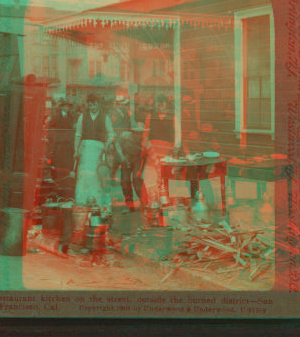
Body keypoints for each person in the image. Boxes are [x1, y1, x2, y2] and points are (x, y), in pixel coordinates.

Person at [73, 93, 117, 208]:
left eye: (94, 105)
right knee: (84, 177)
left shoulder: (105, 117)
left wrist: (107, 145)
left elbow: (111, 134)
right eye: (90, 105)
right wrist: (76, 150)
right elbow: (78, 134)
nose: (92, 107)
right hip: (85, 151)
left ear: (99, 105)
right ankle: (82, 204)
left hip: (98, 152)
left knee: (96, 177)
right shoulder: (82, 117)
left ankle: (97, 205)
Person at [141, 93, 181, 205]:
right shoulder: (150, 117)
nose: (160, 107)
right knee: (150, 179)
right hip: (152, 153)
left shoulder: (173, 118)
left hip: (167, 153)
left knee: (168, 179)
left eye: (162, 105)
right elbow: (145, 137)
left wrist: (173, 152)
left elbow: (178, 138)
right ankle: (151, 204)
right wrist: (151, 153)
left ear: (167, 104)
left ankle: (170, 205)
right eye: (158, 105)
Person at [184, 122, 220, 212]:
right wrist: (188, 155)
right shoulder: (193, 136)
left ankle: (209, 204)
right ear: (200, 132)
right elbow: (185, 144)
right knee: (192, 181)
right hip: (192, 161)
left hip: (205, 162)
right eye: (205, 133)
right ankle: (193, 204)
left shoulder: (212, 139)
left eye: (209, 133)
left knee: (204, 181)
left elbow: (217, 151)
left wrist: (212, 163)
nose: (207, 135)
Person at [47, 99, 74, 180]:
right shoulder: (56, 117)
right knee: (57, 162)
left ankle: (63, 179)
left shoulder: (70, 117)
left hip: (66, 145)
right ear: (61, 107)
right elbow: (50, 129)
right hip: (58, 144)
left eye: (68, 107)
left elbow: (71, 130)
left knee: (64, 163)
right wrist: (54, 139)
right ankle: (55, 177)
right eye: (65, 106)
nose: (67, 108)